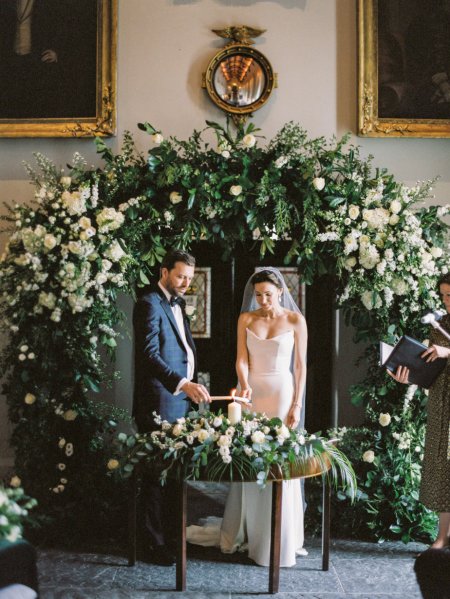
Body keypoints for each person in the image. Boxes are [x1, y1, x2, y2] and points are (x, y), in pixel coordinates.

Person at [187, 267, 308, 567]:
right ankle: (247, 528)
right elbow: (241, 358)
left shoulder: (295, 320)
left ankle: (279, 536)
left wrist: (297, 405)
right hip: (252, 392)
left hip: (282, 391)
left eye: (269, 294)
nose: (263, 300)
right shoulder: (246, 319)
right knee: (249, 455)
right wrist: (244, 384)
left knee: (277, 459)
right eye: (258, 295)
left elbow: (300, 367)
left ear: (281, 291)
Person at [133, 249, 211, 565]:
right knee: (155, 477)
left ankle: (171, 539)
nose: (185, 283)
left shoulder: (176, 304)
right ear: (164, 272)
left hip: (178, 403)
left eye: (190, 278)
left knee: (174, 475)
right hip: (159, 402)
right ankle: (151, 544)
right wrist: (182, 383)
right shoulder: (149, 303)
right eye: (181, 276)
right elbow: (150, 355)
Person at [388, 272, 450, 549]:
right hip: (442, 402)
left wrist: (447, 351)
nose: (448, 300)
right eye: (445, 295)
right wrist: (407, 374)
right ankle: (443, 537)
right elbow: (431, 370)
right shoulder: (439, 326)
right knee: (442, 467)